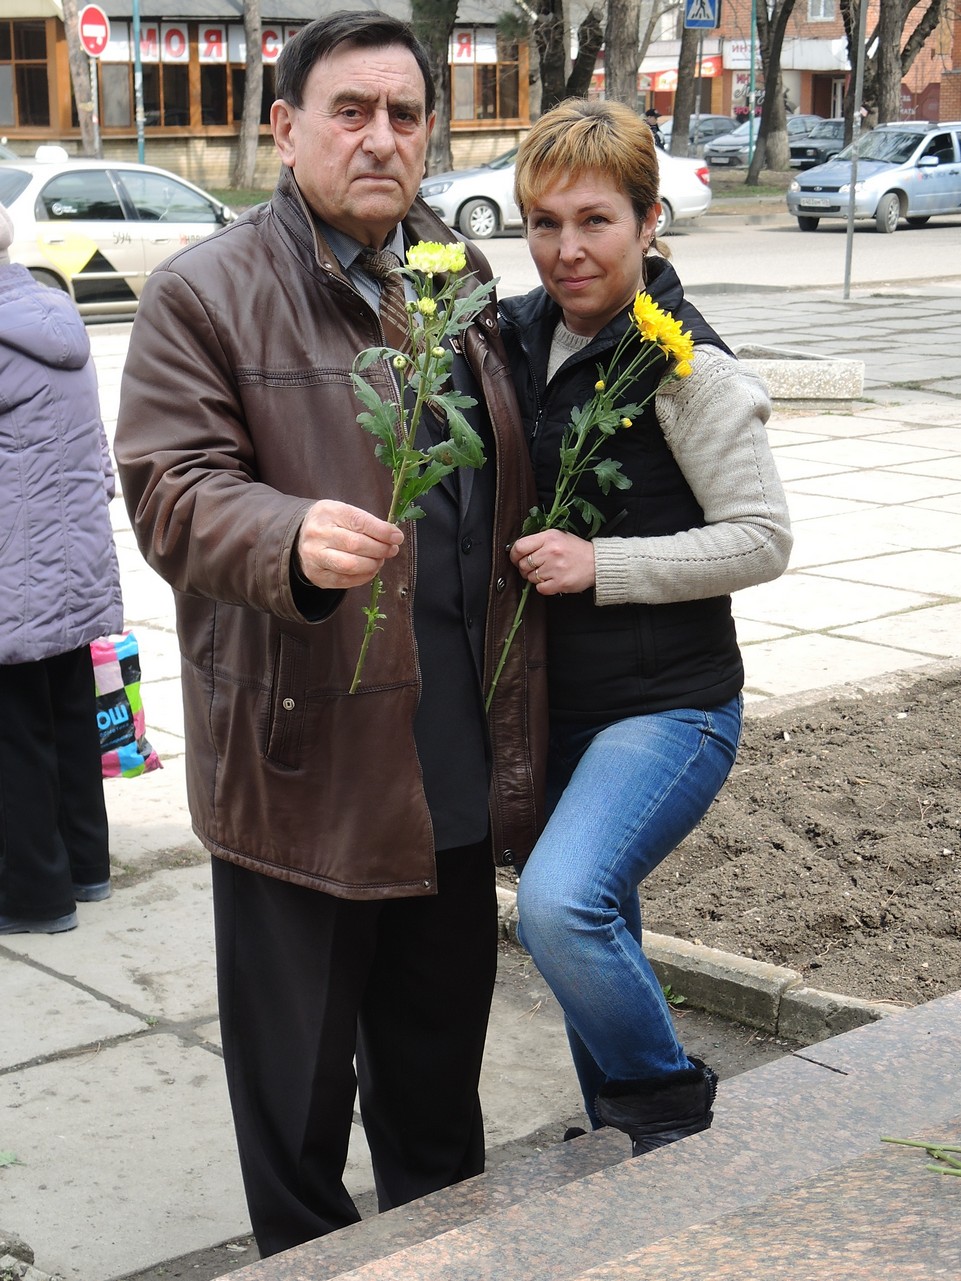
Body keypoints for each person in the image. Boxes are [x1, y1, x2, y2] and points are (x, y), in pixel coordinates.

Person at [113, 9, 544, 1258]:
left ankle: (442, 1256)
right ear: (286, 128)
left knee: (436, 1092)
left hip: (445, 759)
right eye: (349, 111)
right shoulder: (206, 292)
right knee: (296, 1107)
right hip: (298, 765)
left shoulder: (455, 275)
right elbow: (170, 489)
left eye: (405, 114)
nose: (380, 138)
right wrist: (287, 534)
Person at [498, 99, 792, 1157]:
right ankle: (639, 1153)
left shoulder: (687, 370)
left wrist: (601, 565)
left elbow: (762, 538)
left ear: (648, 221)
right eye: (543, 223)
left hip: (669, 709)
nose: (566, 251)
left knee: (560, 905)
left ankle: (668, 1106)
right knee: (598, 921)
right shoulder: (514, 336)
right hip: (557, 708)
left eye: (594, 221)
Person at [0, 202, 123, 934]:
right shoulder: (53, 313)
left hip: (14, 570)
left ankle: (34, 898)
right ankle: (87, 868)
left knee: (14, 733)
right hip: (73, 562)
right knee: (70, 715)